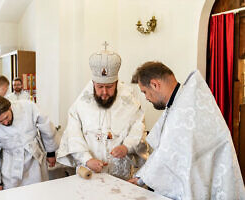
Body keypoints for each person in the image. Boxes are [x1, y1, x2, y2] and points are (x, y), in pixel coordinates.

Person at [129, 61, 245, 199]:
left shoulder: (183, 111)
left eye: (145, 92)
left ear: (155, 84)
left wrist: (142, 179)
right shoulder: (183, 101)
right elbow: (165, 151)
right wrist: (142, 177)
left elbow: (167, 155)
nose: (146, 97)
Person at [57, 46, 145, 179]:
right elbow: (73, 134)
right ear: (93, 83)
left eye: (109, 87)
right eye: (99, 87)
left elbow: (138, 127)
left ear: (116, 83)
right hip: (90, 172)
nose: (104, 92)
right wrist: (87, 159)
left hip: (119, 174)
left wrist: (127, 147)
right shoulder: (81, 104)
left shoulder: (129, 102)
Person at [0, 96, 58, 190]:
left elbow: (46, 127)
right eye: (0, 121)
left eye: (6, 117)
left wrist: (51, 153)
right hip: (10, 163)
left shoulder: (27, 107)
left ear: (10, 107)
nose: (5, 123)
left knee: (38, 191)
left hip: (33, 158)